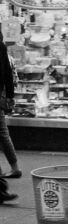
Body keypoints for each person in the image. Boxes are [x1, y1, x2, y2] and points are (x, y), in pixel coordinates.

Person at [0, 33, 21, 179]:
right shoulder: (1, 46)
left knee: (2, 132)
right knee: (2, 133)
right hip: (0, 93)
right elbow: (7, 72)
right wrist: (9, 95)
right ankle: (14, 167)